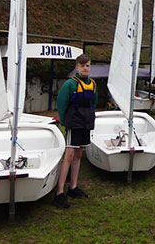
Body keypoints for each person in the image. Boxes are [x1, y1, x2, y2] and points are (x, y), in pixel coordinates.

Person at [53, 54, 98, 208]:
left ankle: (73, 187)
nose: (86, 68)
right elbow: (61, 104)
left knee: (79, 154)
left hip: (86, 122)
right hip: (74, 122)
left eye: (88, 65)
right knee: (69, 155)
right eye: (83, 65)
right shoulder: (70, 84)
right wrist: (65, 122)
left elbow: (94, 102)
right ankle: (59, 192)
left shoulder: (92, 84)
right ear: (77, 67)